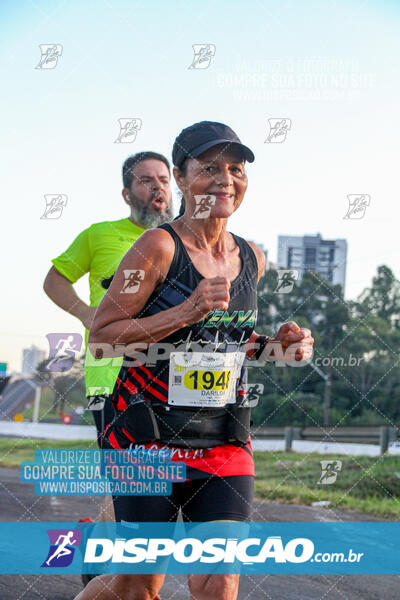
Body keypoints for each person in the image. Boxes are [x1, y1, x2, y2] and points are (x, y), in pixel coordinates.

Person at [78, 121, 314, 600]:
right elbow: (103, 337)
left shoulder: (252, 257)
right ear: (181, 179)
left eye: (235, 168)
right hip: (146, 440)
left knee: (219, 580)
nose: (226, 179)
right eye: (209, 168)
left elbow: (227, 341)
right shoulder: (157, 247)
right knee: (138, 585)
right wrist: (186, 309)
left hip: (223, 439)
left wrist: (278, 348)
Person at [43, 152, 173, 580]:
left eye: (164, 179)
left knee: (147, 485)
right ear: (126, 193)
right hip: (114, 376)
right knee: (128, 483)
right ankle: (103, 575)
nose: (157, 187)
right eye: (145, 181)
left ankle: (102, 566)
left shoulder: (183, 242)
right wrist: (85, 313)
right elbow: (54, 279)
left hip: (173, 382)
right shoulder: (100, 236)